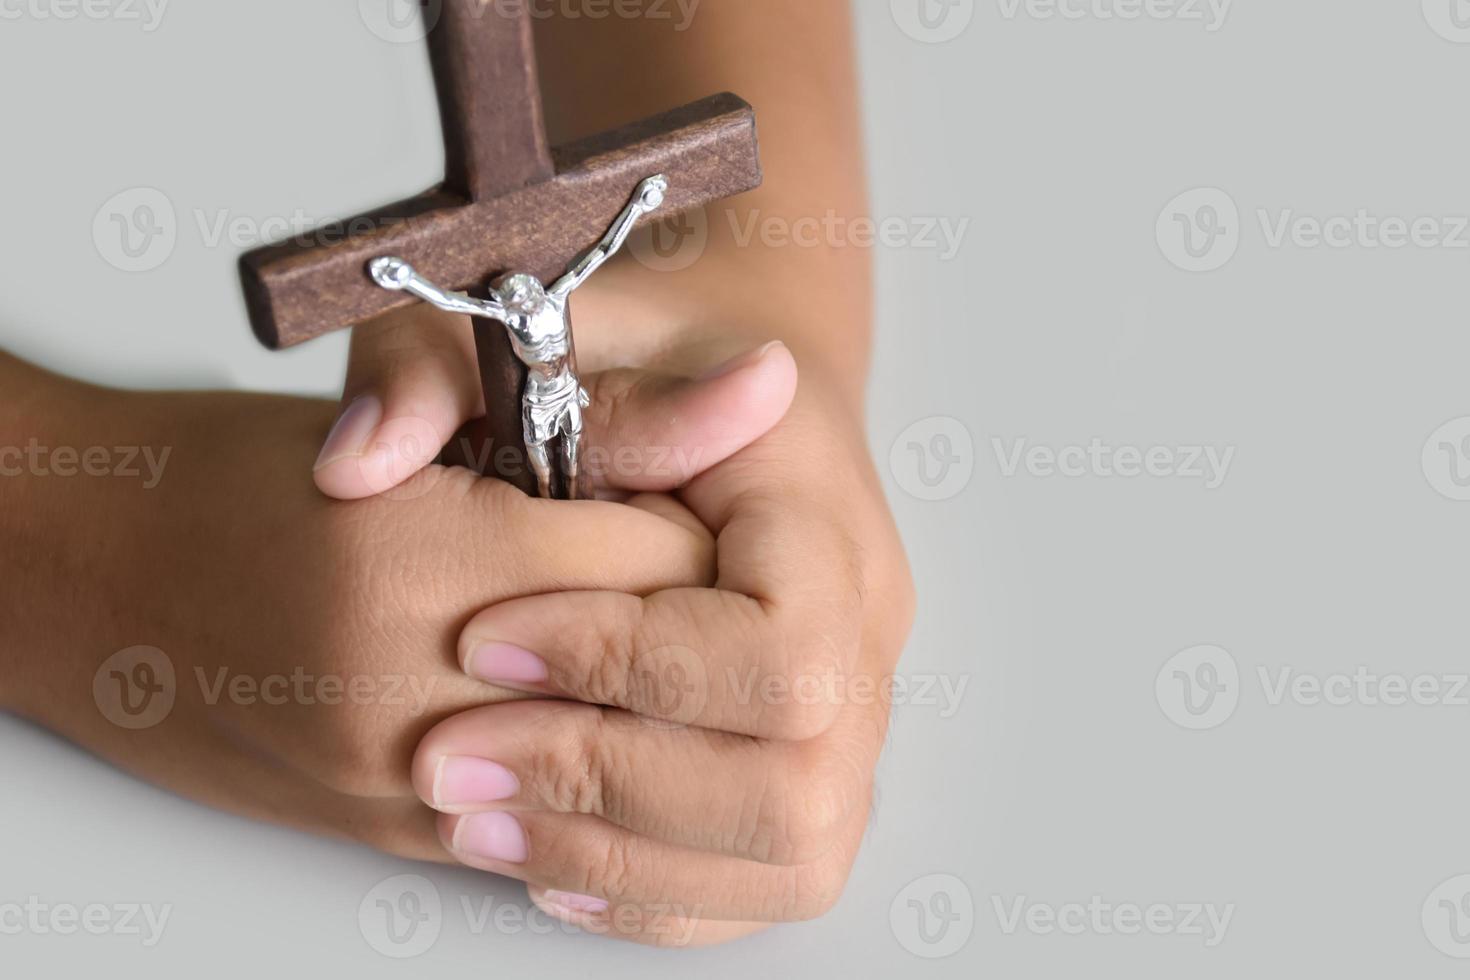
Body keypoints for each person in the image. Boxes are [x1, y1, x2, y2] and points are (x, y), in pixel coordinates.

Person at [0, 0, 915, 947]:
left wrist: (760, 304)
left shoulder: (550, 282)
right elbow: (434, 286)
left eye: (528, 290)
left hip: (562, 398)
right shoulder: (487, 291)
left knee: (564, 461)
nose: (525, 294)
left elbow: (606, 242)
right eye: (510, 294)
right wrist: (75, 545)